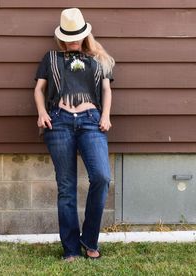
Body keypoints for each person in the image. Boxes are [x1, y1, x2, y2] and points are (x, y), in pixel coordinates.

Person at [34, 7, 115, 262]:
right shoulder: (51, 57)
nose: (73, 41)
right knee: (66, 187)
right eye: (68, 37)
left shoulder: (99, 59)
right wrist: (41, 113)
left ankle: (89, 240)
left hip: (92, 121)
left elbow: (106, 90)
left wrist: (105, 116)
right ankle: (70, 249)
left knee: (101, 177)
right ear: (62, 37)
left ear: (85, 33)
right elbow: (39, 89)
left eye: (77, 36)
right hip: (59, 122)